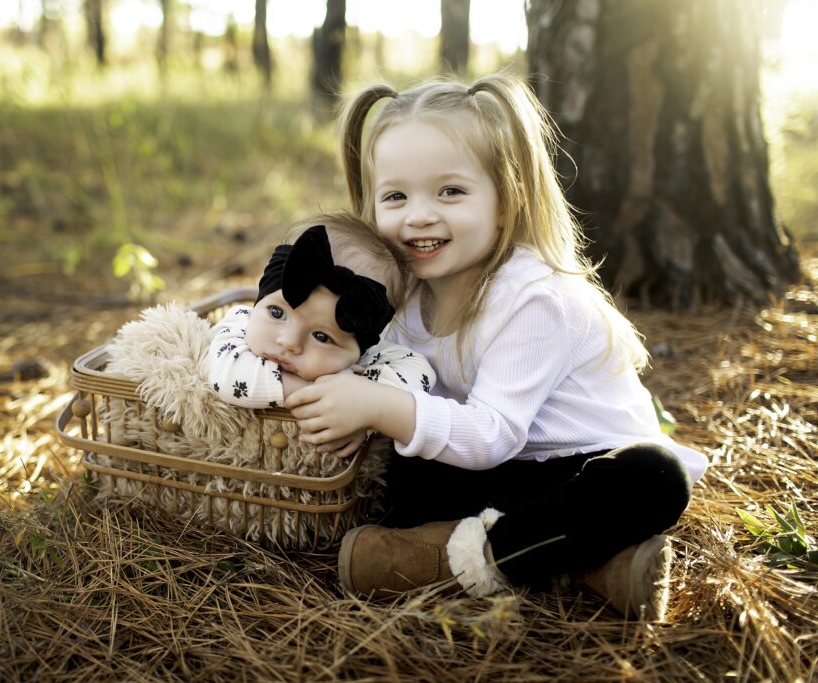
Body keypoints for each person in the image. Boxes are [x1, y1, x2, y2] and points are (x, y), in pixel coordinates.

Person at [284, 74, 709, 621]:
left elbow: (492, 435)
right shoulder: (403, 294)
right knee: (401, 475)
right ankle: (593, 567)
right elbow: (378, 377)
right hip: (503, 479)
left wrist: (379, 408)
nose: (418, 215)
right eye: (396, 196)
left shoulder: (534, 298)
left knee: (654, 477)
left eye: (450, 192)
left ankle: (447, 561)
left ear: (506, 203)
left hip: (579, 471)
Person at [209, 212, 436, 459]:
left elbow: (421, 373)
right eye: (277, 312)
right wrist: (318, 395)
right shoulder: (240, 321)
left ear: (359, 349)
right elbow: (224, 375)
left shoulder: (370, 359)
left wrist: (366, 407)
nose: (288, 341)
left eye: (321, 336)